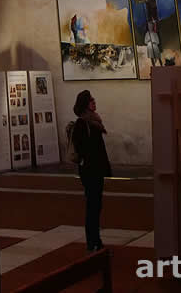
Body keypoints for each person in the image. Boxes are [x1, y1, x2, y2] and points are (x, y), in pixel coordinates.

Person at [72, 89, 111, 253]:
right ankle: (92, 241)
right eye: (91, 100)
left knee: (96, 205)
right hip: (90, 171)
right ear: (85, 104)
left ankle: (96, 239)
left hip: (96, 169)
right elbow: (82, 147)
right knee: (92, 206)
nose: (94, 102)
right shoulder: (82, 123)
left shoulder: (94, 121)